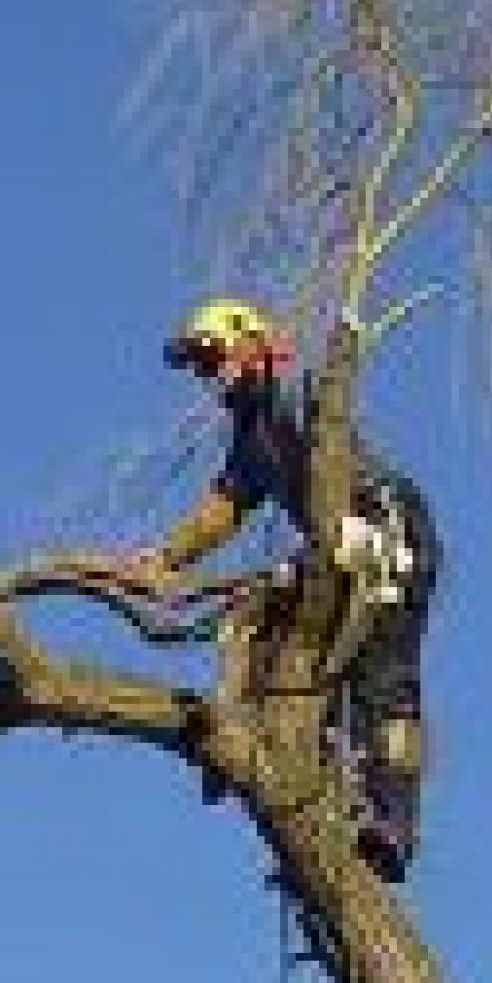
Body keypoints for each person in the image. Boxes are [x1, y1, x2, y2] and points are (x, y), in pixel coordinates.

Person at [137, 298, 439, 882]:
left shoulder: (297, 397)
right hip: (336, 551)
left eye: (211, 358)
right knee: (263, 628)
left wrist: (361, 523)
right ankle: (272, 758)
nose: (208, 375)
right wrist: (165, 558)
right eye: (201, 366)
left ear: (249, 345)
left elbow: (337, 455)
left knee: (383, 683)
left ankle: (392, 823)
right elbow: (225, 506)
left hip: (387, 532)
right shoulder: (251, 433)